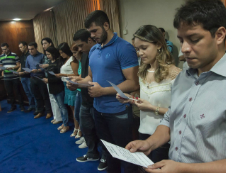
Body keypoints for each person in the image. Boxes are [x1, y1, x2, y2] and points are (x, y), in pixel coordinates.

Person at [126, 0, 226, 172]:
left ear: (219, 35)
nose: (184, 49)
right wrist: (150, 142)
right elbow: (170, 119)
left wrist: (183, 168)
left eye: (194, 39)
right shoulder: (183, 76)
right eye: (181, 40)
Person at [77, 10, 140, 173]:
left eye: (94, 31)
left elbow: (133, 83)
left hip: (118, 111)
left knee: (126, 154)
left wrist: (103, 91)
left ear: (106, 25)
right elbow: (90, 78)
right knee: (109, 153)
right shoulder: (93, 50)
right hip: (98, 110)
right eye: (89, 32)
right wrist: (78, 83)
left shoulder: (124, 47)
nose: (92, 36)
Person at [117, 25, 181, 163]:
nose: (140, 53)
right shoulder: (143, 71)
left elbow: (179, 113)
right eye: (137, 49)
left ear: (158, 44)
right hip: (143, 129)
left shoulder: (175, 74)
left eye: (144, 48)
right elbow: (145, 99)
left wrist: (152, 108)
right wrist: (130, 99)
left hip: (164, 136)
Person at [67, 29, 107, 171]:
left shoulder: (97, 53)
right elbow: (86, 77)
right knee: (86, 128)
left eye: (80, 45)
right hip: (85, 97)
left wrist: (80, 82)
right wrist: (76, 82)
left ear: (89, 41)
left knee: (101, 132)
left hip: (98, 99)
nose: (79, 49)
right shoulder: (85, 54)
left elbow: (100, 79)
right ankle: (92, 153)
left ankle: (105, 157)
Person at [43, 47, 69, 133]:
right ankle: (63, 122)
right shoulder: (50, 63)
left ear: (53, 54)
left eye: (49, 54)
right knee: (59, 106)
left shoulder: (58, 63)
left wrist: (49, 80)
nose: (47, 56)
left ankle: (66, 124)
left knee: (62, 107)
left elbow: (59, 77)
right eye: (46, 55)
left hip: (58, 87)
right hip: (52, 87)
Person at [56, 43, 79, 136]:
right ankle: (76, 127)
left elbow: (76, 74)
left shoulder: (72, 60)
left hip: (72, 85)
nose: (61, 54)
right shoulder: (66, 60)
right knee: (72, 108)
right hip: (66, 85)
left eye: (62, 52)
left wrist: (63, 75)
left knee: (75, 109)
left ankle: (77, 128)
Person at [26, 42, 52, 119]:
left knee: (45, 96)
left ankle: (49, 112)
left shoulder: (42, 56)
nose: (30, 51)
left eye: (32, 49)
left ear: (36, 48)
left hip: (41, 78)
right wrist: (26, 71)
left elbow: (45, 67)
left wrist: (37, 70)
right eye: (29, 49)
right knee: (37, 96)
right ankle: (40, 111)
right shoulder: (28, 57)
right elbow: (27, 67)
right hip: (32, 78)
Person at [41, 38, 62, 123]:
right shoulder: (47, 57)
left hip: (54, 81)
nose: (43, 46)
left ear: (50, 43)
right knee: (51, 99)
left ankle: (59, 118)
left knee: (57, 101)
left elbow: (58, 74)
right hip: (47, 79)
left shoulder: (57, 59)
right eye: (42, 44)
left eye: (45, 43)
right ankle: (56, 116)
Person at [0, 43, 24, 113]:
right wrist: (1, 69)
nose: (4, 50)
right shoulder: (1, 56)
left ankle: (22, 106)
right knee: (9, 93)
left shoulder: (14, 55)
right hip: (6, 77)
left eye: (5, 49)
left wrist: (12, 67)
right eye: (2, 49)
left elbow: (18, 65)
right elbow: (0, 66)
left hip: (14, 77)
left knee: (18, 92)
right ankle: (13, 106)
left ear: (8, 48)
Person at [18, 41, 36, 112]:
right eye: (19, 47)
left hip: (29, 76)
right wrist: (18, 72)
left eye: (21, 47)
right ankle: (31, 105)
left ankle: (36, 107)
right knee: (27, 93)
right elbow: (21, 66)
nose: (20, 49)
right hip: (23, 77)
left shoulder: (30, 55)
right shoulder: (21, 56)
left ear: (25, 46)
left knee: (32, 92)